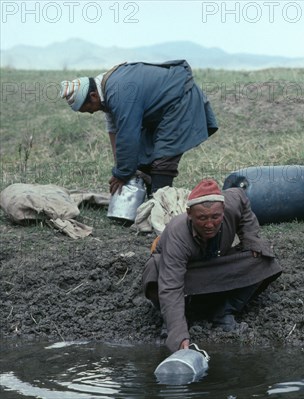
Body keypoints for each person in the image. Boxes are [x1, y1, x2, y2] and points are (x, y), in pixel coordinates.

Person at [141, 178, 282, 353]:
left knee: (263, 258)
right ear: (189, 214)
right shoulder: (177, 233)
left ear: (223, 210)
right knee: (154, 269)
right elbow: (171, 286)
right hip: (183, 275)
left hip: (214, 264)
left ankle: (223, 312)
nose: (209, 225)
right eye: (202, 218)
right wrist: (178, 335)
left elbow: (242, 199)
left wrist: (250, 238)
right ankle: (175, 317)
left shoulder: (231, 202)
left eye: (215, 217)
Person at [60, 60, 218, 196]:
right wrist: (121, 166)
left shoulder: (119, 92)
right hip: (161, 107)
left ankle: (160, 209)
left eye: (88, 109)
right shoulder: (105, 88)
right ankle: (150, 200)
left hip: (180, 100)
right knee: (143, 156)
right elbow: (114, 128)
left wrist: (122, 174)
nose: (91, 113)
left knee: (164, 157)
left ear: (93, 96)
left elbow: (128, 135)